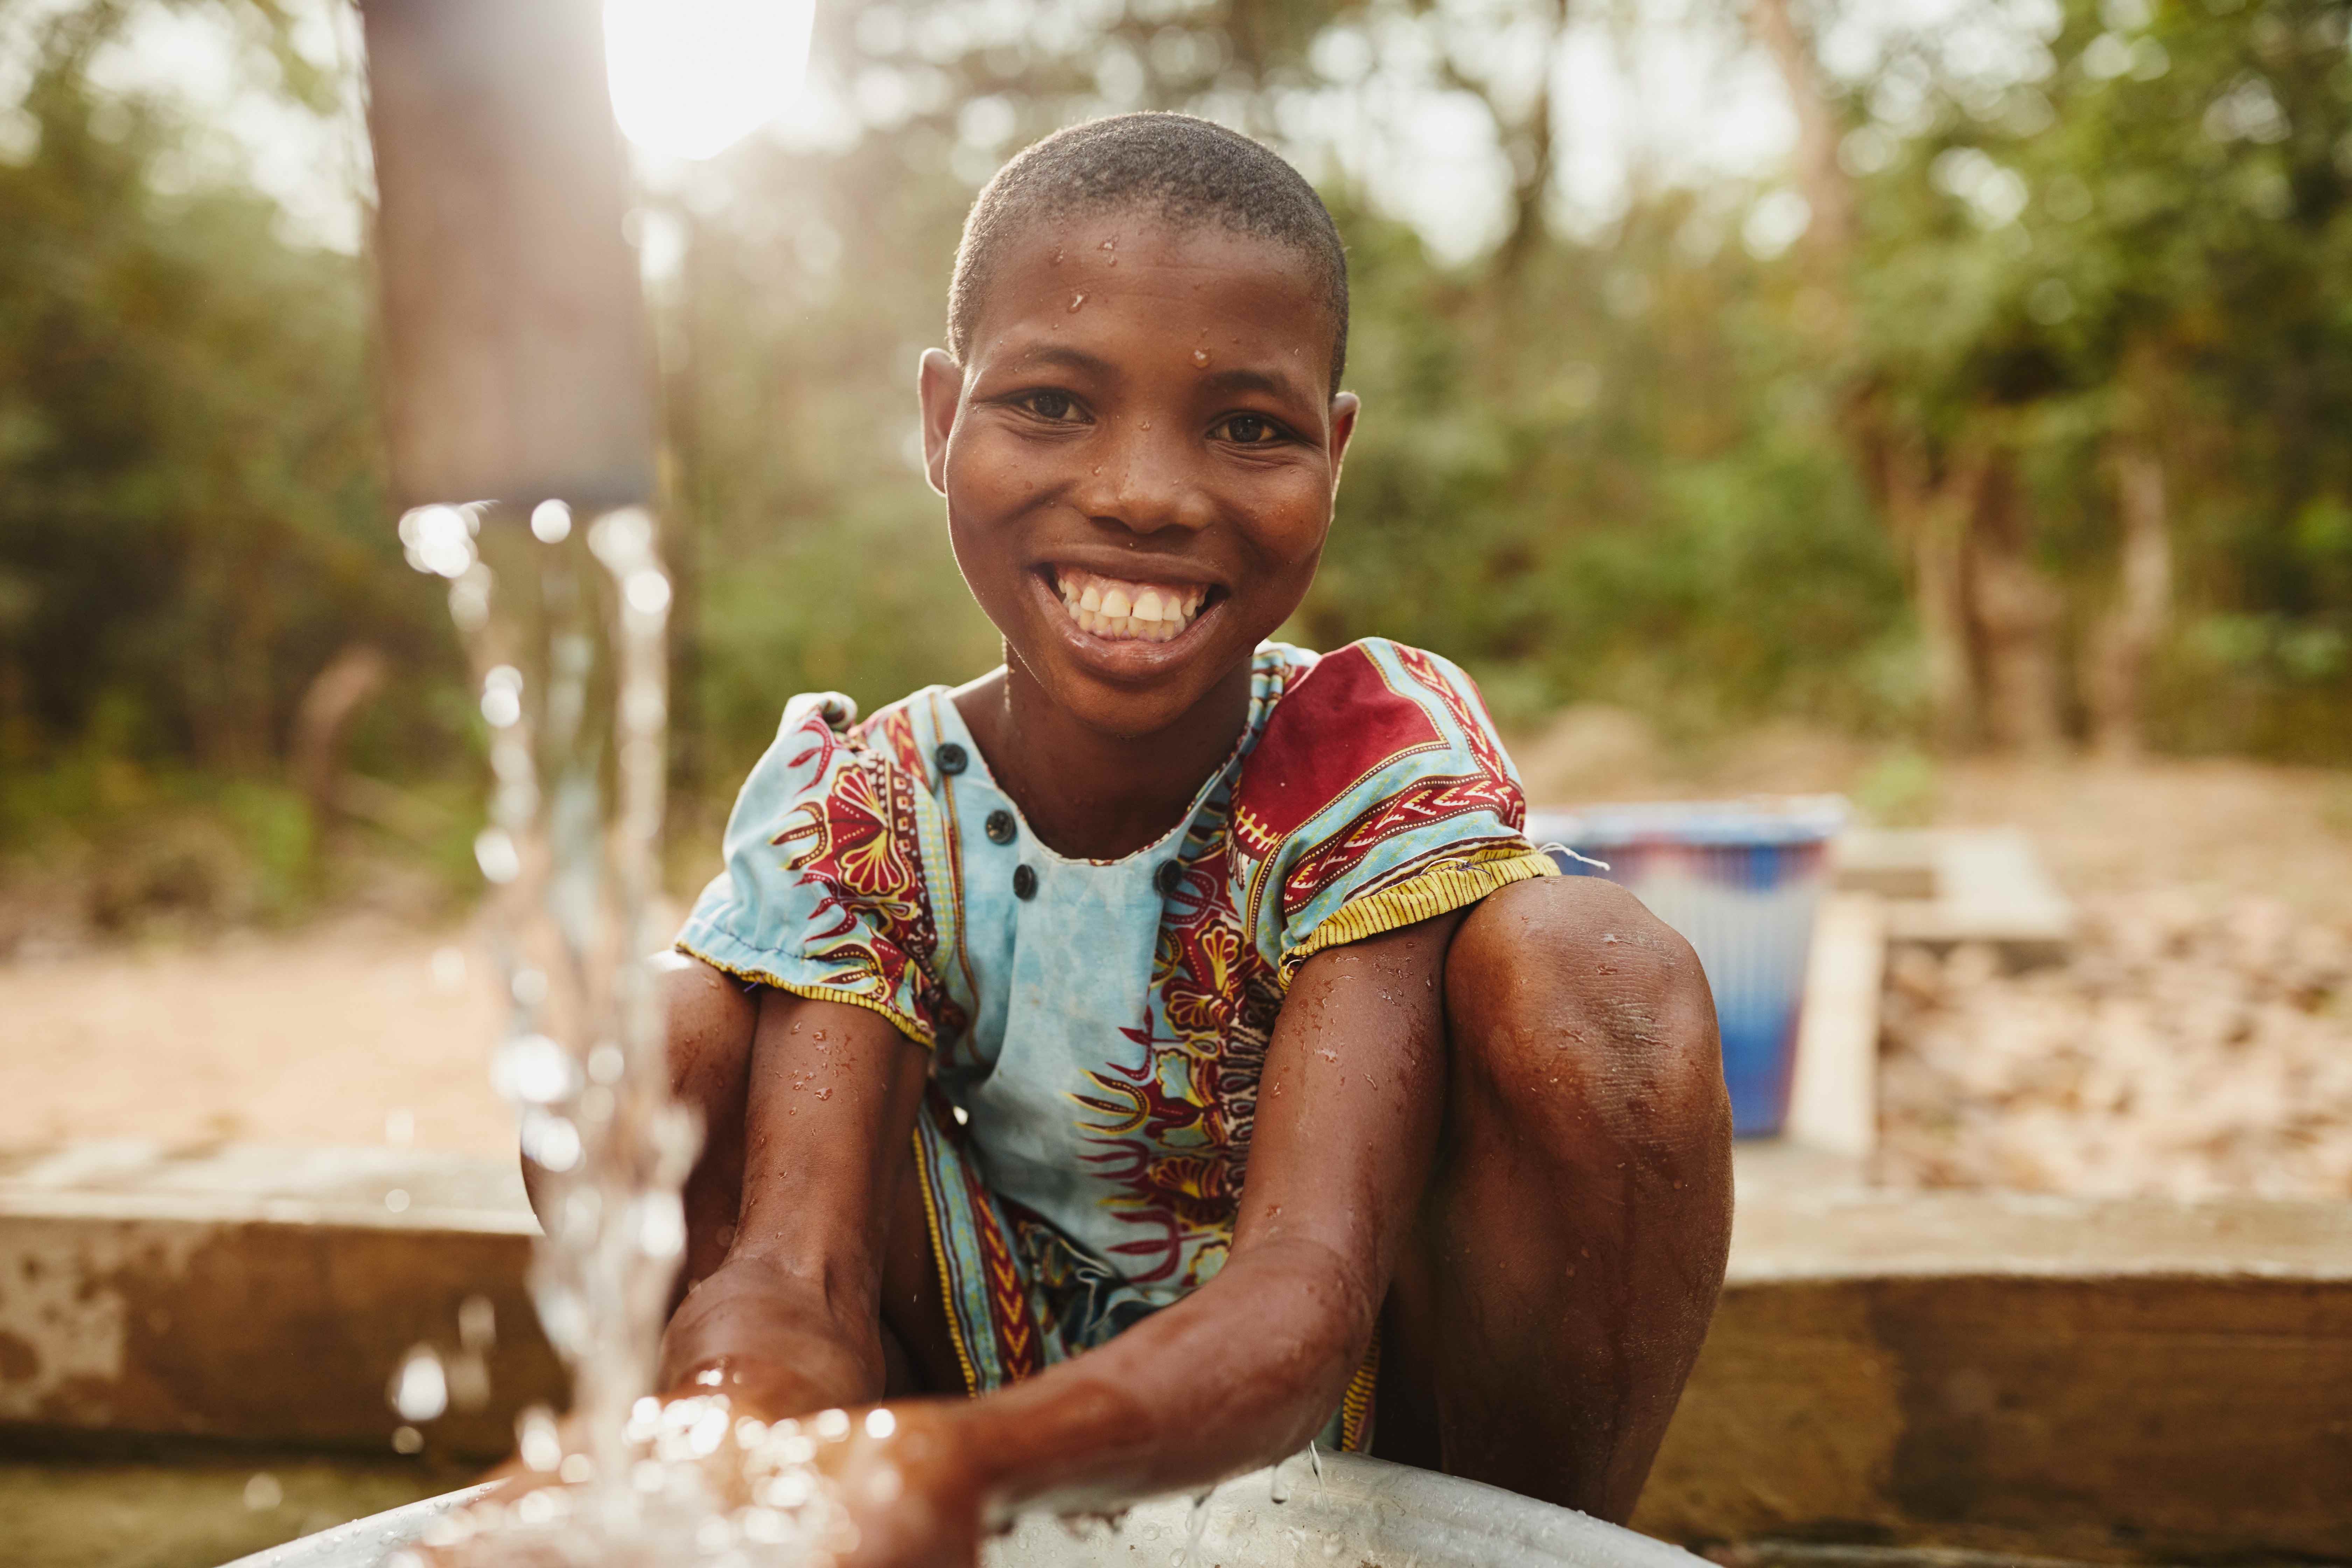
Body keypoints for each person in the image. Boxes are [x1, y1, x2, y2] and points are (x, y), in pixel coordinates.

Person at [545, 112, 1730, 1563]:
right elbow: (797, 1272)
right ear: (939, 420)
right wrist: (737, 1438)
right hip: (959, 1395)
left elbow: (1307, 1290)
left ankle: (1519, 1553)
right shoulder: (870, 804)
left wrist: (946, 1468)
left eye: (1248, 426)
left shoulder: (1359, 760)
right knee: (656, 1047)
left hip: (1346, 1439)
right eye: (1050, 402)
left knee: (1591, 970)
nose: (1144, 491)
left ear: (1334, 453)